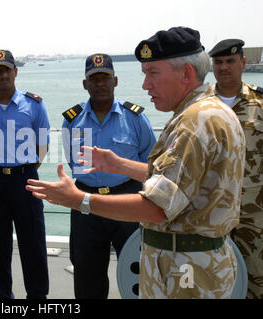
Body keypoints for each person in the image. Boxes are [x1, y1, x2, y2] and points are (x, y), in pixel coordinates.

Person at [27, 27, 246, 299]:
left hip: (187, 270)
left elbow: (157, 206)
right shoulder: (208, 112)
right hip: (189, 263)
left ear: (186, 73)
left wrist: (78, 200)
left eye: (152, 73)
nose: (145, 85)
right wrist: (119, 164)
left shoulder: (194, 124)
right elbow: (178, 181)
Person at [61, 53, 156, 299]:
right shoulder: (72, 121)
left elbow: (151, 164)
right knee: (86, 274)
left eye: (105, 78)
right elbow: (73, 161)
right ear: (85, 84)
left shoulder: (135, 118)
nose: (100, 84)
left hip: (127, 200)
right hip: (86, 204)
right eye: (94, 79)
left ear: (115, 81)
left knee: (138, 270)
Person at [0, 49, 50, 299]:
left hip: (25, 179)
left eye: (7, 69)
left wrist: (24, 170)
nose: (4, 74)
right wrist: (2, 168)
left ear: (15, 72)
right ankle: (3, 298)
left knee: (33, 244)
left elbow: (42, 145)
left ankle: (37, 298)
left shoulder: (34, 105)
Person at [209, 39, 263, 299]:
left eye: (230, 61)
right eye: (218, 62)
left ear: (243, 63)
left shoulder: (260, 103)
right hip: (210, 212)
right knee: (211, 280)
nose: (224, 67)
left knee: (256, 280)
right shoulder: (198, 105)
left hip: (254, 215)